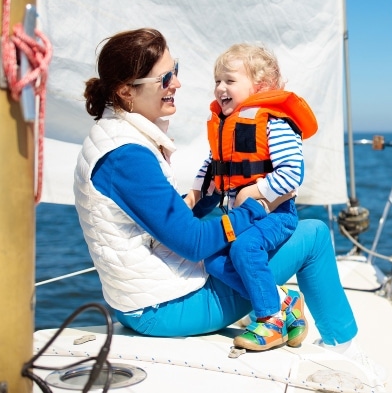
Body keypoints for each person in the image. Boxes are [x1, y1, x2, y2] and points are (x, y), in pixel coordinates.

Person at [73, 28, 373, 364]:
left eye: (177, 71)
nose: (177, 83)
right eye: (165, 78)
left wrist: (199, 200)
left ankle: (282, 301)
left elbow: (170, 220)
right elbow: (194, 243)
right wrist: (254, 209)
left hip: (139, 299)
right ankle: (343, 350)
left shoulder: (111, 138)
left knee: (234, 249)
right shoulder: (127, 156)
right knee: (315, 233)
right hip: (163, 308)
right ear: (126, 91)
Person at [185, 43, 318, 351]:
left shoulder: (273, 122)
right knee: (214, 258)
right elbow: (212, 166)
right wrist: (193, 195)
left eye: (229, 81)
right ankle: (285, 299)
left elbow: (292, 174)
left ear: (260, 86)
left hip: (276, 215)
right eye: (217, 81)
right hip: (240, 216)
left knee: (244, 248)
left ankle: (270, 319)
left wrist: (255, 191)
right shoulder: (227, 126)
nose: (220, 88)